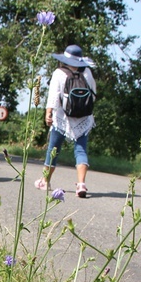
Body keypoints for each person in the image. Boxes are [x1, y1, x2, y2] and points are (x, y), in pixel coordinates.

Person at [37, 44, 97, 198]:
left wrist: (49, 112)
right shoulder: (88, 72)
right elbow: (94, 94)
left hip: (62, 117)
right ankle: (81, 183)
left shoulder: (59, 73)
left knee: (53, 149)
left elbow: (53, 96)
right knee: (81, 149)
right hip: (83, 117)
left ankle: (45, 181)